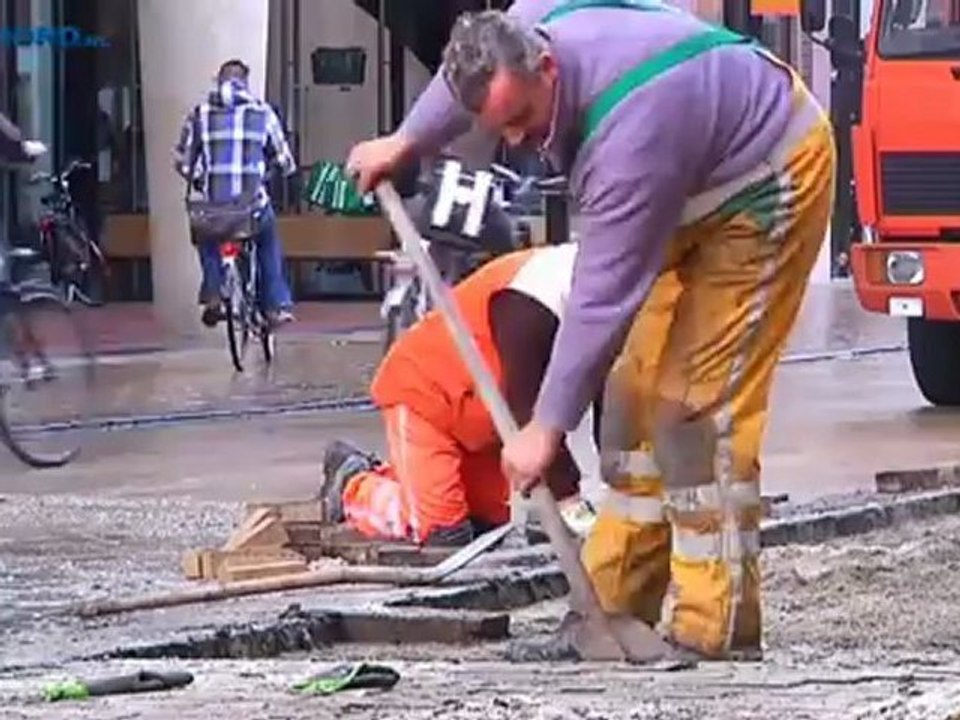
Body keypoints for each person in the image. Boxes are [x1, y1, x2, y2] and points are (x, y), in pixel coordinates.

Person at [345, 0, 836, 660]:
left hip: (767, 176)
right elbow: (460, 84)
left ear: (547, 67)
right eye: (499, 127)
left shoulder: (628, 136)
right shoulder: (523, 27)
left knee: (692, 411)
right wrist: (407, 140)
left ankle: (712, 626)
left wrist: (546, 430)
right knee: (628, 410)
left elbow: (603, 298)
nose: (516, 142)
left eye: (521, 120)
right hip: (688, 184)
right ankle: (610, 607)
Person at [320, 243, 604, 546]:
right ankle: (354, 485)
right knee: (445, 536)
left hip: (486, 422)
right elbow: (530, 417)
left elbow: (610, 405)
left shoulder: (614, 296)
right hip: (428, 397)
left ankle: (411, 482)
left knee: (486, 529)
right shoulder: (534, 294)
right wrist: (569, 498)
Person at [173, 58, 296, 328]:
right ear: (245, 82)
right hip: (250, 207)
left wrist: (201, 180)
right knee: (268, 241)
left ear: (219, 80)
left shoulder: (199, 114)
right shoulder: (262, 113)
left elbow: (182, 162)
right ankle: (275, 306)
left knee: (206, 236)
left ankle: (213, 292)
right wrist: (266, 174)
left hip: (214, 209)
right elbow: (286, 162)